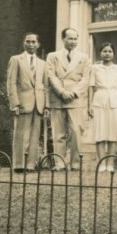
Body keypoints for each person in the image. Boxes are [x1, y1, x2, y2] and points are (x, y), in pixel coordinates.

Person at [46, 27, 91, 171]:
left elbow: (86, 78)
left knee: (76, 132)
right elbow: (51, 76)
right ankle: (59, 163)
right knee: (58, 133)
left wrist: (73, 92)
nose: (73, 41)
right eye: (70, 38)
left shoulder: (84, 57)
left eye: (75, 38)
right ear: (63, 39)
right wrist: (61, 92)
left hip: (74, 99)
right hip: (58, 98)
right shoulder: (52, 56)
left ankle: (75, 164)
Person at [7, 33, 49, 173]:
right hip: (22, 103)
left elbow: (46, 86)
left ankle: (30, 165)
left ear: (38, 45)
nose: (31, 44)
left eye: (33, 42)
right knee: (21, 134)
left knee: (35, 135)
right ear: (24, 43)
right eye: (28, 41)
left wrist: (46, 105)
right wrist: (15, 103)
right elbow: (11, 82)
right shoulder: (16, 59)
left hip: (38, 103)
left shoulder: (43, 63)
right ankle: (19, 165)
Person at [88, 43, 117, 172]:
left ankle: (110, 164)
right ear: (100, 53)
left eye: (110, 51)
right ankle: (101, 163)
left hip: (114, 100)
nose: (107, 53)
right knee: (100, 133)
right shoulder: (95, 68)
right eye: (104, 51)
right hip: (99, 100)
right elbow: (91, 87)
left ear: (113, 54)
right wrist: (90, 105)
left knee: (112, 133)